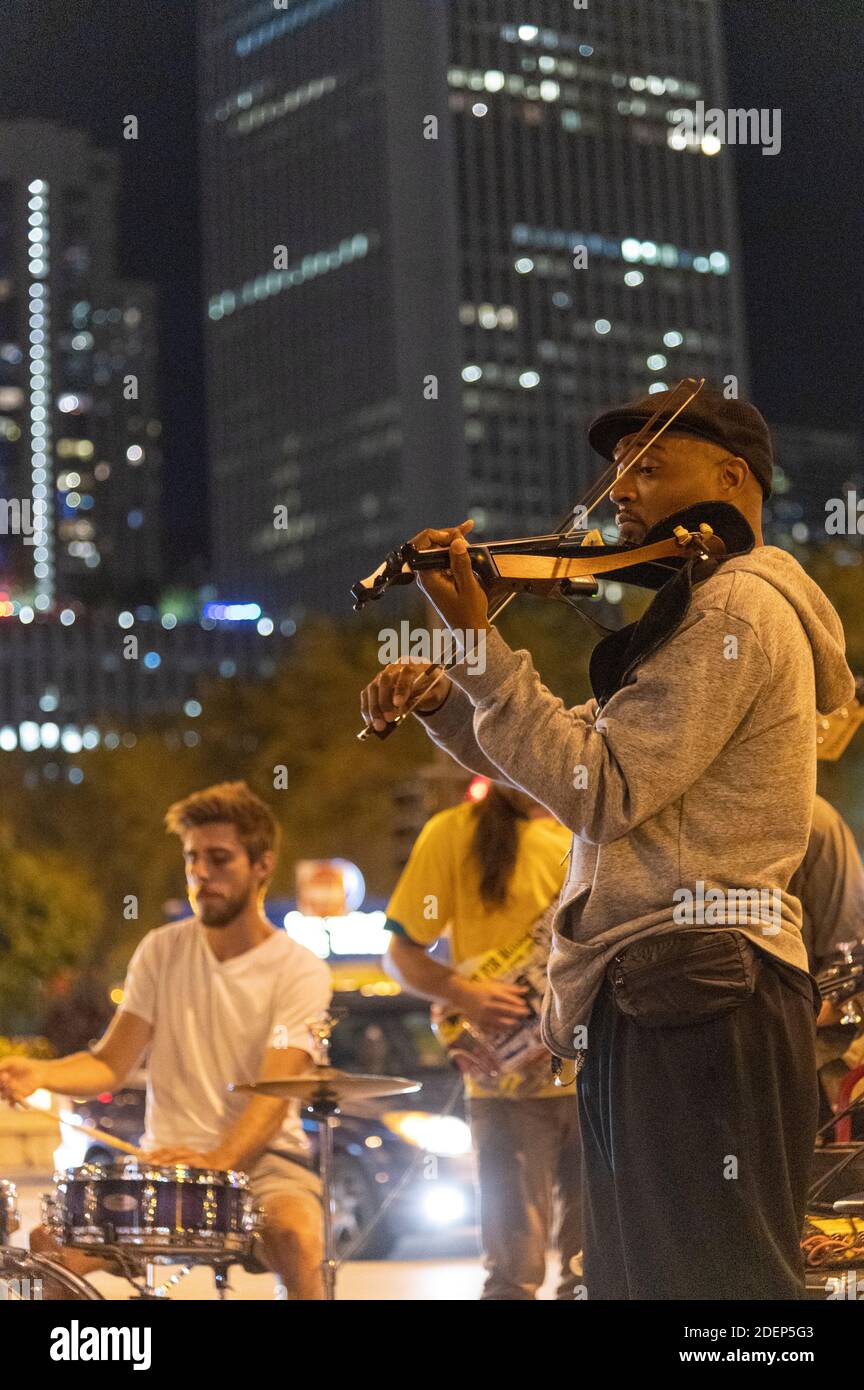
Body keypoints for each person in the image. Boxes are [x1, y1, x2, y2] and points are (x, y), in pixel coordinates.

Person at [361, 382, 856, 1300]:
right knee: (649, 1286)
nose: (620, 491)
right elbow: (565, 762)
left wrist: (477, 638)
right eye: (618, 472)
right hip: (671, 993)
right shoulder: (699, 612)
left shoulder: (734, 610)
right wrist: (450, 688)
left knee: (719, 1296)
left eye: (648, 466)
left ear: (732, 475)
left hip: (700, 991)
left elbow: (600, 789)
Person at [0, 781, 331, 1299]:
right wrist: (38, 1072)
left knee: (297, 1233)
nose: (201, 873)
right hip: (165, 1165)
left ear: (262, 865)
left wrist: (217, 1163)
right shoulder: (161, 950)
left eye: (219, 859)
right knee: (49, 1249)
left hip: (265, 1165)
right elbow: (109, 1063)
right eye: (192, 858)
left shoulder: (299, 969)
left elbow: (274, 1092)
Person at [383, 780, 581, 1299]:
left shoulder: (595, 820)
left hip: (601, 1078)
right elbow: (401, 952)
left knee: (597, 1272)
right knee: (512, 1278)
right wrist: (462, 997)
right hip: (509, 1086)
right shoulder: (453, 833)